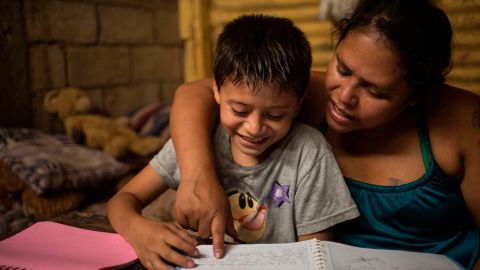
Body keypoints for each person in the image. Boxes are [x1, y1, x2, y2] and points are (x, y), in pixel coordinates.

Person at [169, 0, 480, 269]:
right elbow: (195, 93)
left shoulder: (463, 121)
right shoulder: (309, 95)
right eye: (342, 69)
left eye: (375, 91)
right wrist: (198, 175)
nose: (344, 97)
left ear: (416, 95)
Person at [108, 14, 359, 269]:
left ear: (298, 104)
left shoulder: (308, 151)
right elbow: (122, 200)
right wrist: (138, 230)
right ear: (216, 90)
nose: (254, 127)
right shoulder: (200, 140)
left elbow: (316, 256)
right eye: (239, 110)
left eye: (274, 115)